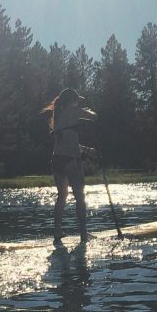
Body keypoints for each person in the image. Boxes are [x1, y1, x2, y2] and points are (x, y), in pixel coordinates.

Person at [42, 88, 97, 243]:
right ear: (71, 101)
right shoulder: (73, 111)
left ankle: (57, 231)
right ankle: (84, 233)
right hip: (71, 160)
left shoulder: (57, 117)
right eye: (76, 100)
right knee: (80, 196)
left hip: (57, 160)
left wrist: (85, 149)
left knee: (62, 196)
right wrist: (85, 108)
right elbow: (95, 117)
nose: (78, 102)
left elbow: (68, 140)